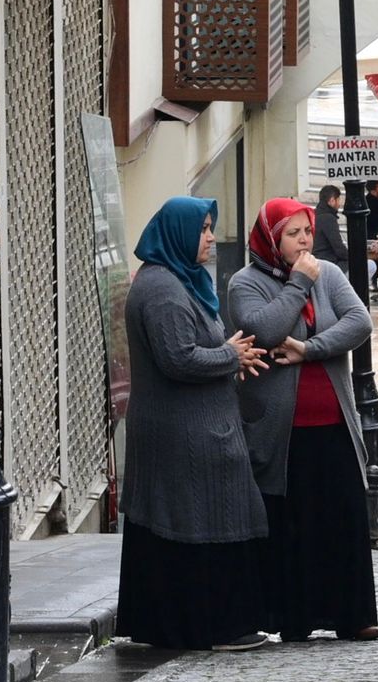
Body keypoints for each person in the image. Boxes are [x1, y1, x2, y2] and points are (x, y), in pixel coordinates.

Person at [115, 197, 271, 652]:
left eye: (209, 227)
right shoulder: (163, 288)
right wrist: (230, 355)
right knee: (196, 524)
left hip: (189, 426)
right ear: (178, 233)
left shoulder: (176, 279)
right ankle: (211, 627)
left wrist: (227, 355)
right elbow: (176, 357)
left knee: (186, 524)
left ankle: (178, 627)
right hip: (184, 432)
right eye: (203, 229)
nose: (209, 238)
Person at [226, 197, 378, 643]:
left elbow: (359, 322)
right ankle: (296, 618)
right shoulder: (246, 282)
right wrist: (296, 286)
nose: (304, 241)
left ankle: (353, 616)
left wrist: (309, 349)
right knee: (292, 523)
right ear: (272, 238)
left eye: (307, 232)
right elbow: (265, 330)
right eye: (292, 233)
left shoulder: (327, 274)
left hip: (332, 419)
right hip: (281, 430)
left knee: (342, 517)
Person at [312, 185, 348, 268]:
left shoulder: (315, 214)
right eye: (338, 200)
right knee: (370, 265)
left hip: (316, 260)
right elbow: (338, 248)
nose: (339, 204)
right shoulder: (328, 218)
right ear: (332, 200)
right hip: (328, 262)